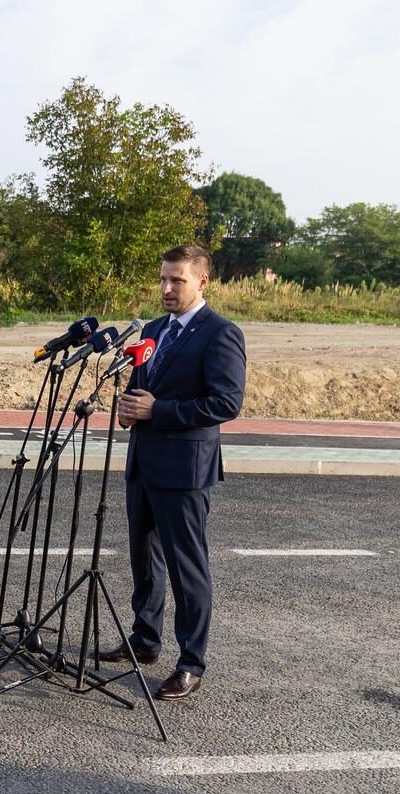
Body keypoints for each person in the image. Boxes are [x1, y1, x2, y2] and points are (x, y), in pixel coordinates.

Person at [101, 244, 246, 702]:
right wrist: (129, 408)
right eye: (163, 279)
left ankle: (190, 663)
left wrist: (158, 410)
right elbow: (140, 387)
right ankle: (145, 640)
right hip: (144, 461)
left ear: (202, 282)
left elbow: (226, 403)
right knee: (143, 558)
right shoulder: (155, 329)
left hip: (185, 469)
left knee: (187, 567)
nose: (166, 288)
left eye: (176, 280)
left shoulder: (220, 333)